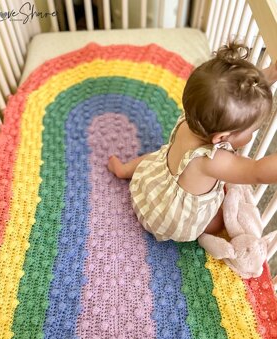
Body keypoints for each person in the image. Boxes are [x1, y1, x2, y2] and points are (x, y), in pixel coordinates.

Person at [107, 42, 277, 242]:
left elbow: (233, 97)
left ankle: (124, 170)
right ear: (221, 138)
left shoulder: (193, 118)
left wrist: (271, 73)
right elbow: (257, 172)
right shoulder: (213, 161)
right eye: (252, 131)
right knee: (220, 221)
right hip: (168, 219)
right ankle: (200, 230)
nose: (252, 136)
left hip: (150, 184)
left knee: (157, 156)